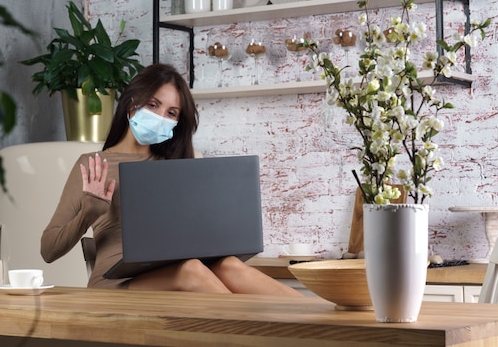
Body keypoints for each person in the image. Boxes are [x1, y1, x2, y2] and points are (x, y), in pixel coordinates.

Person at [41, 63, 302, 296]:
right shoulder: (93, 164)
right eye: (153, 105)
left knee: (230, 265)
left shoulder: (177, 168)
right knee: (191, 270)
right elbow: (48, 250)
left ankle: (323, 325)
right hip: (115, 284)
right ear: (132, 104)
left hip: (174, 272)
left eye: (171, 113)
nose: (160, 117)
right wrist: (88, 213)